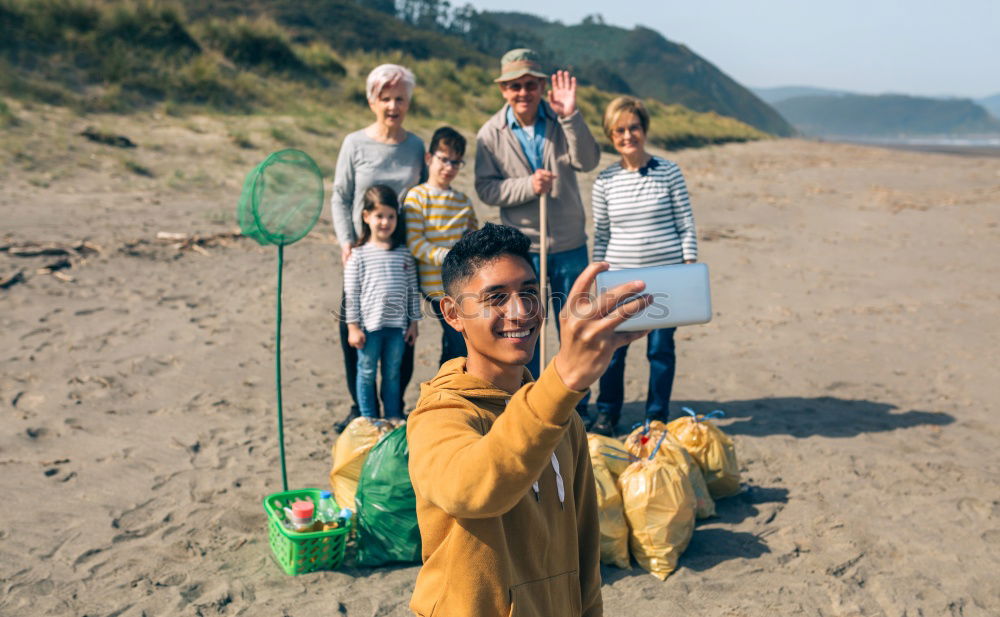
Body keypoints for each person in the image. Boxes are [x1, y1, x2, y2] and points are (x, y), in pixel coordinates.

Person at [406, 223, 650, 617]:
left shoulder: (562, 417)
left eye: (529, 293)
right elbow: (470, 489)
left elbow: (585, 545)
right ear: (453, 314)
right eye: (496, 297)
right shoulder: (440, 414)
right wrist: (563, 380)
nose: (520, 312)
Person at [474, 48, 601, 398]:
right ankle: (526, 398)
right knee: (521, 325)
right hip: (521, 249)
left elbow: (587, 160)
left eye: (530, 84)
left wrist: (572, 115)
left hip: (569, 242)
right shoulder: (489, 134)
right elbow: (486, 188)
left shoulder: (562, 119)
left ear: (542, 86)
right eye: (514, 86)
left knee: (574, 326)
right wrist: (527, 186)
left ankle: (575, 401)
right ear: (503, 90)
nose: (523, 92)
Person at [588, 96, 699, 436]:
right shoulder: (604, 181)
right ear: (611, 135)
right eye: (619, 130)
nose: (628, 135)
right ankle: (607, 413)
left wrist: (689, 264)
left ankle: (656, 416)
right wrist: (598, 274)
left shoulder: (669, 171)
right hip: (620, 280)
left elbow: (686, 223)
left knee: (661, 350)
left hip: (666, 278)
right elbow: (602, 233)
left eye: (633, 127)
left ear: (644, 129)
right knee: (614, 352)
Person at [330, 64, 426, 430]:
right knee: (355, 333)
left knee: (402, 336)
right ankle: (360, 407)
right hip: (362, 252)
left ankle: (395, 407)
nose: (392, 105)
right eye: (385, 98)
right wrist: (345, 244)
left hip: (402, 255)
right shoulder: (355, 143)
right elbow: (340, 197)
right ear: (372, 100)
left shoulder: (416, 146)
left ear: (408, 102)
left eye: (399, 98)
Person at [344, 185, 421, 420]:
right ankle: (368, 419)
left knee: (392, 374)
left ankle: (393, 417)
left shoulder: (404, 254)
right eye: (379, 216)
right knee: (366, 373)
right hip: (369, 329)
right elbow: (351, 293)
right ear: (366, 216)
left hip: (397, 329)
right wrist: (353, 326)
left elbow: (412, 291)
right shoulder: (358, 255)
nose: (385, 222)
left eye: (390, 216)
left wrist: (414, 323)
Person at [403, 126, 478, 366]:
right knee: (456, 339)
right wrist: (450, 256)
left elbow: (472, 236)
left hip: (459, 283)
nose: (449, 167)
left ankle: (450, 383)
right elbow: (415, 243)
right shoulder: (417, 197)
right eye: (444, 159)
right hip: (431, 284)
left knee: (461, 340)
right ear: (429, 158)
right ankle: (446, 386)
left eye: (456, 163)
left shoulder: (462, 201)